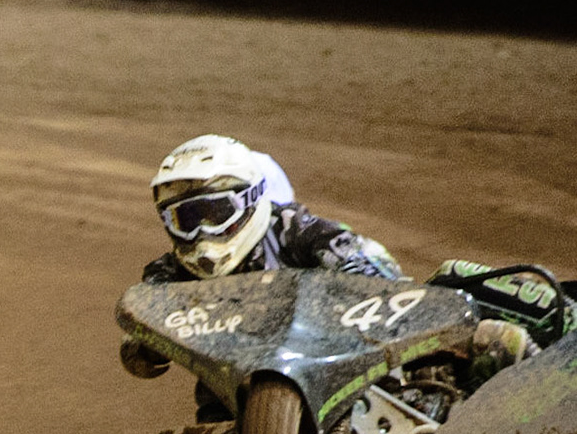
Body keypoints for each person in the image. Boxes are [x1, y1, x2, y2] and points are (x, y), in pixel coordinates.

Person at [120, 135, 404, 388]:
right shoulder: (169, 274)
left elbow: (377, 270)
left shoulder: (295, 229)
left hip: (339, 366)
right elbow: (137, 358)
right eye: (186, 219)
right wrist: (150, 342)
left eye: (216, 213)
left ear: (250, 200)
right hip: (235, 396)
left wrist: (359, 280)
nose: (202, 231)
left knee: (401, 361)